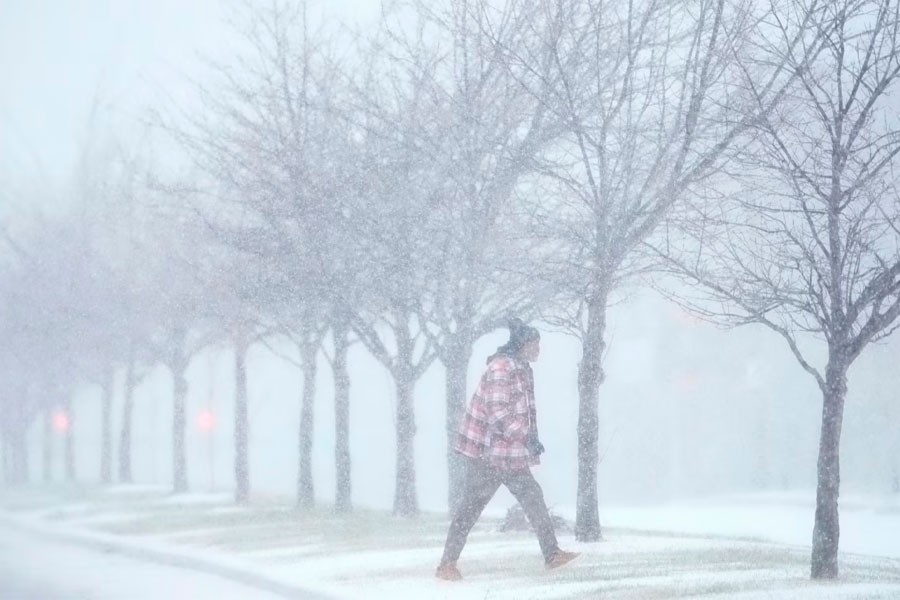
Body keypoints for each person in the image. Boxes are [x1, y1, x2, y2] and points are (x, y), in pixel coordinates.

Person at [436, 319, 580, 581]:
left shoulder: (522, 368)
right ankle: (446, 565)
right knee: (470, 509)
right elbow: (497, 412)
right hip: (487, 454)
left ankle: (552, 555)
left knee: (533, 498)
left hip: (508, 454)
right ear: (522, 344)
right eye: (535, 344)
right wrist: (526, 437)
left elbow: (524, 411)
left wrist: (530, 438)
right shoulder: (502, 368)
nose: (538, 350)